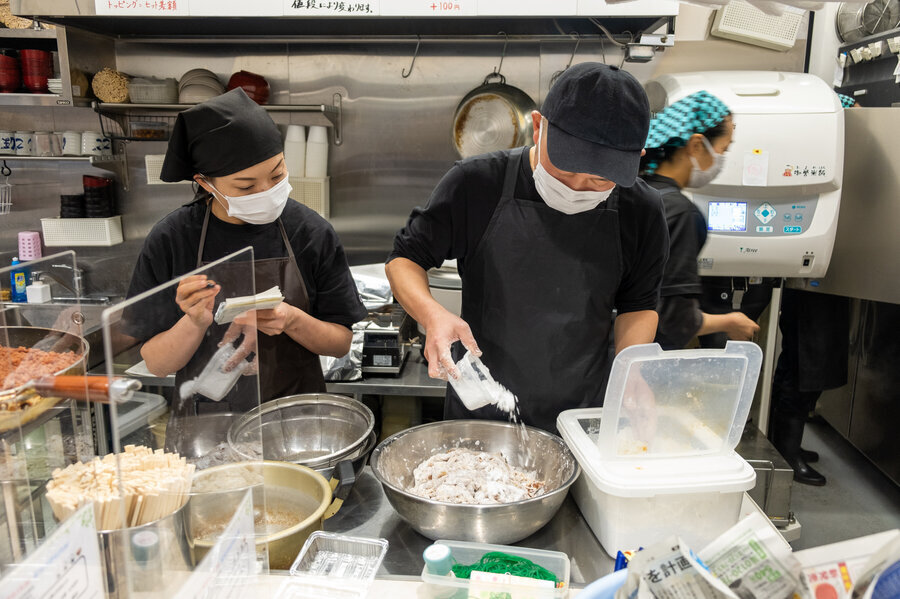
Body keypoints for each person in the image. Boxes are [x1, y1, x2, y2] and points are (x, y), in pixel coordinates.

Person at [386, 63, 669, 432]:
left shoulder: (641, 210)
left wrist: (631, 368)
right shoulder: (476, 183)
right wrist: (433, 316)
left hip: (582, 417)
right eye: (565, 170)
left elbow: (638, 304)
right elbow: (404, 259)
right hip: (481, 407)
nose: (578, 187)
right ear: (539, 127)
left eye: (600, 179)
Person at [125, 88, 365, 447]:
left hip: (296, 427)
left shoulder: (310, 232)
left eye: (276, 173)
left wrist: (291, 319)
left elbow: (340, 342)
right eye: (246, 185)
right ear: (205, 183)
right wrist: (193, 322)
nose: (266, 191)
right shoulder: (173, 239)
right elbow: (157, 364)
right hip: (206, 433)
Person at [640, 90, 759, 349]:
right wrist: (730, 322)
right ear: (696, 145)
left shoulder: (632, 191)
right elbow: (676, 321)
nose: (721, 160)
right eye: (722, 150)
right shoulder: (680, 213)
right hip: (642, 355)